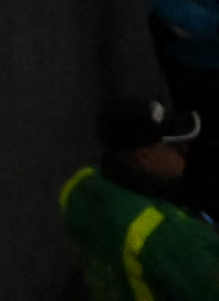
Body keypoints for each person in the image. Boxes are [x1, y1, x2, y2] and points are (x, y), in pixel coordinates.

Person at [69, 94, 219, 301]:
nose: (185, 150)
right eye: (173, 146)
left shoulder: (82, 185)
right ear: (143, 158)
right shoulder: (170, 236)